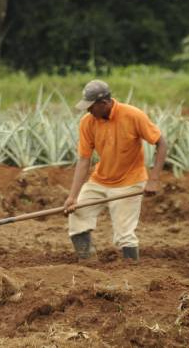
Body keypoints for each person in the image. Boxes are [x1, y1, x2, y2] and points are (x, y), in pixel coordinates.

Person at [63, 80, 168, 261]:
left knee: (124, 233)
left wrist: (154, 179)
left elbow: (161, 142)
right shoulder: (87, 122)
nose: (88, 111)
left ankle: (131, 271)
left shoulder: (133, 115)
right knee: (78, 214)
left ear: (104, 103)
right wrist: (73, 196)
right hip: (99, 180)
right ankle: (87, 263)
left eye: (91, 107)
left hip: (130, 181)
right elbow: (83, 160)